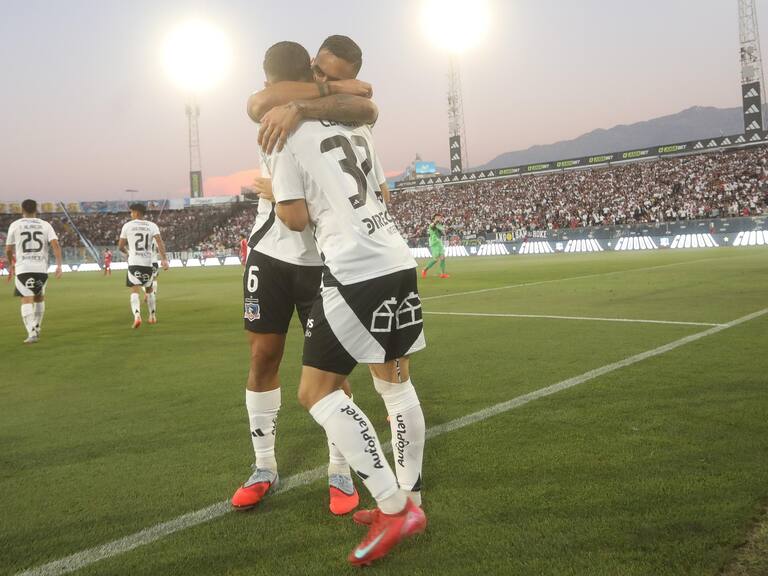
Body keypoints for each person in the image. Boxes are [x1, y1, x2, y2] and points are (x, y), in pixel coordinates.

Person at [265, 42, 427, 566]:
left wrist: (266, 190)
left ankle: (393, 505)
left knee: (316, 392)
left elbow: (292, 218)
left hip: (355, 269)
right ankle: (411, 498)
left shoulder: (281, 128)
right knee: (395, 385)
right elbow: (380, 189)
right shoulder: (357, 123)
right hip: (395, 254)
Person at [232, 37, 381, 516]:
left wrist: (279, 191)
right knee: (263, 356)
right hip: (270, 255)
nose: (322, 77)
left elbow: (365, 95)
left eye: (328, 73)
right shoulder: (279, 105)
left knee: (330, 372)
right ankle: (263, 465)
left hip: (324, 259)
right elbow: (258, 101)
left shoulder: (340, 110)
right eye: (317, 70)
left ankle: (339, 467)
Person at [4, 199, 63, 343]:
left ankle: (31, 333)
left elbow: (8, 249)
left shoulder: (15, 225)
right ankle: (37, 327)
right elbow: (55, 245)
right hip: (41, 268)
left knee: (26, 299)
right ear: (36, 210)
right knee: (39, 298)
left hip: (23, 267)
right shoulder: (45, 225)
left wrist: (11, 263)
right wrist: (59, 265)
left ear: (22, 210)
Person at [118, 203, 168, 328]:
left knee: (134, 289)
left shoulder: (127, 226)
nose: (130, 214)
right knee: (149, 289)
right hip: (148, 264)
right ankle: (152, 316)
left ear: (137, 213)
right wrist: (164, 259)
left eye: (131, 212)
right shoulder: (152, 226)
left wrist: (128, 252)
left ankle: (137, 315)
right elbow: (160, 242)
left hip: (134, 263)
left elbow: (120, 246)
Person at [421, 214, 449, 279]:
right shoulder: (432, 224)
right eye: (437, 217)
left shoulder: (440, 225)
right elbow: (432, 226)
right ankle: (424, 270)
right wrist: (436, 222)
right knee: (435, 259)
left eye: (440, 217)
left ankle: (443, 274)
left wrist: (443, 231)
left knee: (443, 257)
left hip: (439, 242)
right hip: (434, 243)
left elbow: (444, 233)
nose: (439, 218)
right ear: (434, 218)